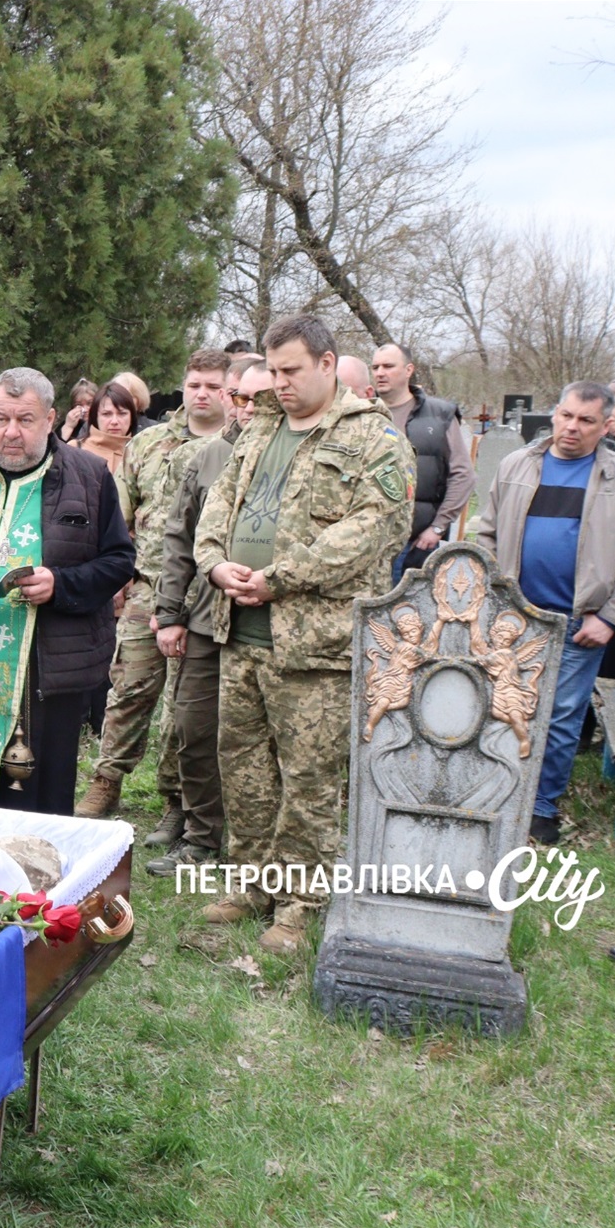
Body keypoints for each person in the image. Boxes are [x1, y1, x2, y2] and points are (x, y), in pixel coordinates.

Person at [193, 314, 413, 953]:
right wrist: (215, 563)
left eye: (291, 370)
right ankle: (251, 882)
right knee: (243, 766)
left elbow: (373, 530)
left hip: (314, 645)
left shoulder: (373, 438)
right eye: (273, 370)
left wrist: (280, 577)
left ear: (327, 363)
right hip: (241, 632)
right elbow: (219, 505)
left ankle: (298, 901)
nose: (280, 382)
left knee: (309, 777)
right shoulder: (260, 427)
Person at [0, 367, 135, 815]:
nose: (11, 432)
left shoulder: (89, 476)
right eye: (1, 419)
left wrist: (60, 584)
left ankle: (33, 862)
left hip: (48, 665)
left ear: (50, 419)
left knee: (37, 794)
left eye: (24, 419)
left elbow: (118, 561)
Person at [77, 351, 232, 844]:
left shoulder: (239, 448)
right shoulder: (148, 443)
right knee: (129, 690)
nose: (202, 393)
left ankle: (177, 802)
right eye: (194, 384)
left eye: (213, 385)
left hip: (207, 596)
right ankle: (107, 780)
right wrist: (117, 582)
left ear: (228, 390)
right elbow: (119, 519)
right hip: (148, 587)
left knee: (184, 711)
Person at [474, 382, 615, 845]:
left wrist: (609, 616)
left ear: (605, 426)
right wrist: (492, 598)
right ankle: (493, 791)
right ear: (555, 414)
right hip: (514, 616)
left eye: (585, 420)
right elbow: (487, 534)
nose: (572, 427)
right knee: (502, 706)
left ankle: (541, 806)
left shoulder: (613, 477)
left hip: (580, 622)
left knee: (560, 717)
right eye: (566, 415)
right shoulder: (517, 465)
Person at [148, 356, 275, 875]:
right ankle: (201, 837)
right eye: (241, 397)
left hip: (270, 624)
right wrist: (170, 613)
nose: (248, 408)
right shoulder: (209, 457)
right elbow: (178, 540)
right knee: (193, 729)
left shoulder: (295, 456)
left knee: (258, 741)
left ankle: (256, 845)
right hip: (205, 617)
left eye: (260, 399)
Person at [373, 342, 475, 579]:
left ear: (408, 370)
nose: (380, 373)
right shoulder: (362, 413)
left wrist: (438, 527)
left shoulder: (439, 415)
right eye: (375, 367)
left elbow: (463, 474)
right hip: (367, 544)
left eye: (388, 366)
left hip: (415, 546)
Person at [76, 380, 138, 474]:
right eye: (106, 414)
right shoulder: (74, 449)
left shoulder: (141, 453)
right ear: (95, 417)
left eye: (122, 414)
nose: (114, 421)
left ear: (131, 417)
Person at [58, 378, 98, 443]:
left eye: (89, 403)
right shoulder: (67, 425)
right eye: (79, 405)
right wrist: (68, 427)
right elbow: (57, 447)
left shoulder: (104, 425)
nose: (85, 410)